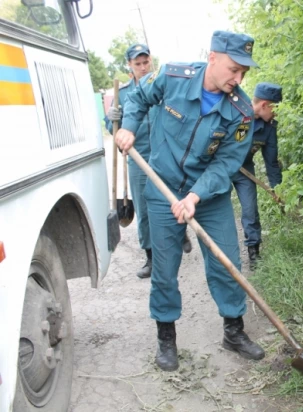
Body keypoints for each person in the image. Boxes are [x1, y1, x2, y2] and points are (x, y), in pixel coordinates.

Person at [114, 31, 264, 372]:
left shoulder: (241, 113)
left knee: (226, 261)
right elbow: (137, 100)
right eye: (233, 69)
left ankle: (234, 331)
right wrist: (130, 128)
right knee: (164, 270)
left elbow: (226, 163)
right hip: (162, 187)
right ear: (212, 57)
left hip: (208, 196)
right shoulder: (172, 76)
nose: (238, 79)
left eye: (244, 73)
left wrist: (196, 196)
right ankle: (166, 338)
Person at [105, 44, 192, 280]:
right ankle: (151, 257)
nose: (143, 68)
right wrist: (111, 118)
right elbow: (112, 127)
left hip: (166, 155)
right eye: (137, 64)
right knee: (144, 210)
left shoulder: (162, 85)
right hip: (139, 157)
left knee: (173, 199)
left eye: (146, 63)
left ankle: (180, 233)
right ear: (129, 66)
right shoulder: (122, 94)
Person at [232, 82, 282, 270]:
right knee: (216, 208)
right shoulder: (235, 113)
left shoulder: (269, 128)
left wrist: (278, 189)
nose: (277, 113)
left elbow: (272, 162)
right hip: (221, 167)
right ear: (264, 105)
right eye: (275, 108)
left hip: (245, 170)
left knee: (250, 210)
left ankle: (254, 253)